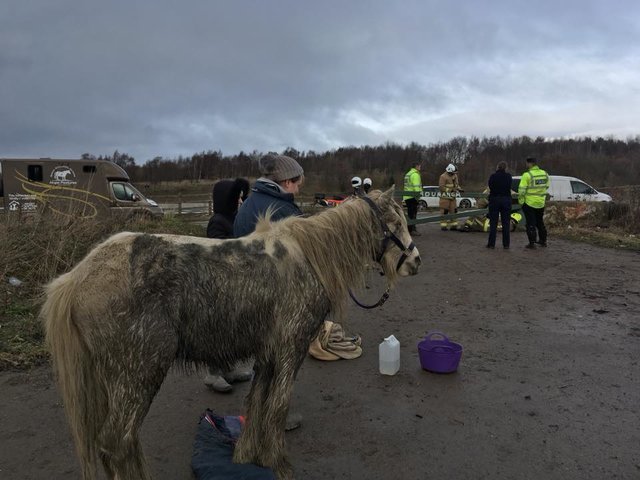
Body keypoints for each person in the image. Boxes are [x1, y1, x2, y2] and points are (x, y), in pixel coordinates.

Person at [233, 154, 304, 431]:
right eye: (297, 183)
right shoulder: (284, 212)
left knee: (263, 356)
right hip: (274, 296)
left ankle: (256, 410)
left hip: (246, 290)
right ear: (286, 182)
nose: (298, 189)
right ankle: (272, 416)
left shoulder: (248, 204)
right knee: (277, 357)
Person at [203, 178, 254, 392]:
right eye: (238, 198)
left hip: (235, 282)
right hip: (220, 284)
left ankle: (228, 369)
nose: (241, 201)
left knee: (231, 331)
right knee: (218, 331)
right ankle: (213, 374)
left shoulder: (234, 218)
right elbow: (217, 254)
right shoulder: (217, 222)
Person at [234, 154, 304, 237]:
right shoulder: (284, 211)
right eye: (297, 185)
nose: (297, 190)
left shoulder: (246, 204)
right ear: (288, 182)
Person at [518, 157, 550, 249]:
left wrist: (521, 202)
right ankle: (543, 241)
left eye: (526, 163)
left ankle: (532, 242)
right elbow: (547, 186)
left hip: (529, 203)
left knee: (530, 223)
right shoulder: (545, 174)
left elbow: (521, 190)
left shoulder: (527, 175)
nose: (526, 165)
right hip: (541, 203)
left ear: (529, 164)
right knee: (540, 222)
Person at [487, 161, 513, 249]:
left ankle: (491, 244)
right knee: (506, 223)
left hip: (494, 199)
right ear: (506, 168)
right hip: (506, 199)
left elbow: (490, 186)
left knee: (493, 222)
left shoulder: (493, 176)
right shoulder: (509, 176)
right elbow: (509, 186)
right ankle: (506, 244)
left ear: (497, 167)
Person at [439, 163, 463, 231]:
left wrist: (459, 189)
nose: (454, 173)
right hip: (445, 198)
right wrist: (450, 190)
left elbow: (456, 185)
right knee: (444, 211)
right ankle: (444, 226)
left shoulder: (455, 176)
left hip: (453, 198)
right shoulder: (443, 176)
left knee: (454, 211)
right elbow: (441, 187)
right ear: (449, 170)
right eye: (453, 172)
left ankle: (454, 225)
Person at [403, 161, 423, 236]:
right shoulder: (415, 175)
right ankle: (412, 230)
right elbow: (416, 187)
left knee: (410, 214)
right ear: (416, 166)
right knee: (413, 214)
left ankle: (409, 229)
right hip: (413, 197)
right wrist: (418, 197)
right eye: (419, 166)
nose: (420, 167)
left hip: (407, 196)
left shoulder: (408, 174)